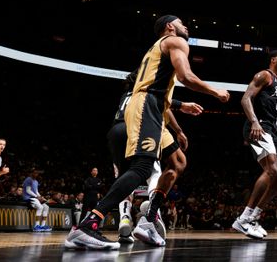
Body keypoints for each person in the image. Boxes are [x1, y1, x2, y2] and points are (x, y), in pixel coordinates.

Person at [64, 14, 229, 250]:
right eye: (182, 23)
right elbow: (186, 76)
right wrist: (215, 92)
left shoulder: (157, 50)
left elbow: (162, 94)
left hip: (155, 108)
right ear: (170, 27)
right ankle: (88, 225)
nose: (187, 26)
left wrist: (179, 122)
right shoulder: (175, 41)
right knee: (142, 168)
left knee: (178, 162)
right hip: (146, 106)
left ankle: (149, 220)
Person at [107, 68, 203, 244]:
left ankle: (125, 218)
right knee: (153, 170)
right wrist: (179, 129)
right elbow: (164, 105)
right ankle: (153, 213)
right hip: (137, 127)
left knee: (124, 178)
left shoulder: (128, 93)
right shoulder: (146, 90)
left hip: (116, 130)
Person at [233, 49, 277, 239]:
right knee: (272, 169)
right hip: (257, 127)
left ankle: (254, 216)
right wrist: (254, 122)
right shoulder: (264, 75)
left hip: (271, 129)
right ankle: (243, 219)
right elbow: (245, 99)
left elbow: (275, 114)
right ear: (273, 59)